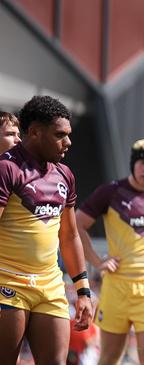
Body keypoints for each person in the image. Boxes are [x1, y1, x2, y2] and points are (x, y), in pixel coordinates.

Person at [0, 95, 93, 364]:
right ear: (34, 132)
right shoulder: (7, 168)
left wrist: (83, 291)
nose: (68, 142)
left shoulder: (65, 174)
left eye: (69, 134)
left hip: (50, 286)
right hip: (7, 282)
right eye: (60, 135)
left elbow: (70, 235)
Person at [75, 137, 144, 365]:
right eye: (142, 163)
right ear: (133, 164)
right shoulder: (111, 191)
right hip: (116, 285)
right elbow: (77, 225)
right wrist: (97, 261)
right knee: (109, 358)